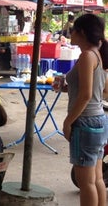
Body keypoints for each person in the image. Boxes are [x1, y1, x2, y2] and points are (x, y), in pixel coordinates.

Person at [60, 13, 108, 206]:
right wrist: (66, 87)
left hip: (86, 122)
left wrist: (67, 122)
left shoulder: (87, 55)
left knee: (85, 182)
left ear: (80, 32)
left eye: (73, 30)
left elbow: (86, 95)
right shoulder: (97, 54)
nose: (70, 33)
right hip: (98, 120)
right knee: (96, 179)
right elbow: (98, 90)